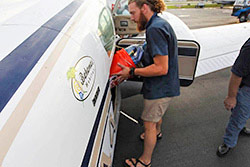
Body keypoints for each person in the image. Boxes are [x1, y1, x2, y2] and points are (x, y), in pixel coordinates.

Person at [113, 0, 180, 166]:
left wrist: (132, 72)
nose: (132, 18)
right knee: (156, 119)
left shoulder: (155, 29)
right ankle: (157, 132)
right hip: (166, 85)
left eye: (133, 13)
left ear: (144, 8)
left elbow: (161, 68)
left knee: (148, 123)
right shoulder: (159, 23)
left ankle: (144, 161)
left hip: (159, 87)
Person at [217, 38, 250, 157]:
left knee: (244, 114)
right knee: (239, 117)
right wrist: (231, 97)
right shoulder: (249, 48)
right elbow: (237, 74)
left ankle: (240, 128)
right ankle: (228, 142)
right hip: (246, 89)